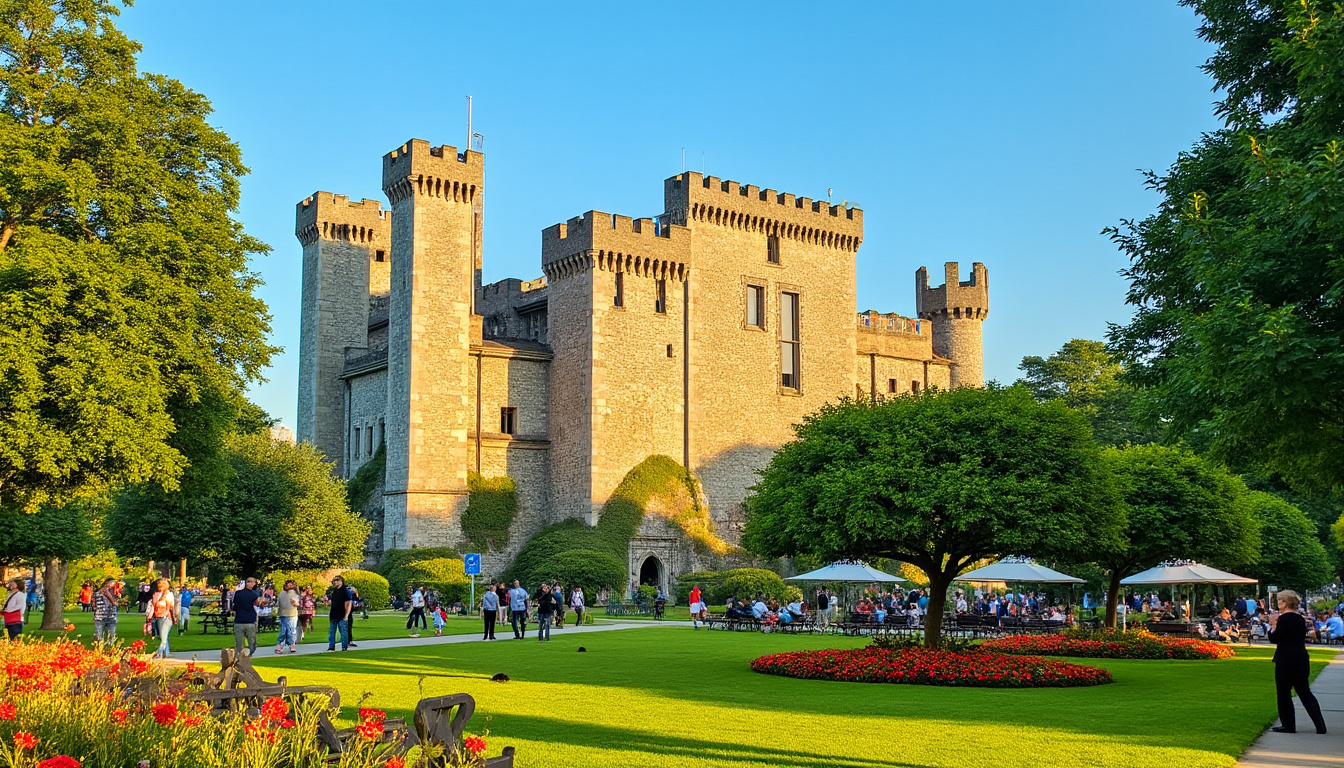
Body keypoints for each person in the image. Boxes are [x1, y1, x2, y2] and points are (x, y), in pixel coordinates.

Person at [1268, 590, 1327, 734]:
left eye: (1279, 601)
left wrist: (1273, 625)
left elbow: (1275, 638)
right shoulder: (1300, 618)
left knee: (1283, 692)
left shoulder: (1284, 619)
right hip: (1300, 657)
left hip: (1286, 659)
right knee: (1304, 691)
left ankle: (1288, 724)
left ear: (1285, 602)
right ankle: (1320, 724)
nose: (1277, 604)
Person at [146, 579, 177, 659]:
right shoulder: (156, 595)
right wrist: (149, 618)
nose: (160, 587)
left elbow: (171, 607)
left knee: (163, 639)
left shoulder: (169, 595)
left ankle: (158, 654)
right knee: (162, 636)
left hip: (166, 618)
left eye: (161, 585)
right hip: (158, 617)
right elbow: (153, 606)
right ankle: (166, 653)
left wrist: (173, 618)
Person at [231, 577, 261, 657]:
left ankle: (239, 657)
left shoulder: (238, 593)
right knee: (252, 642)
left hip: (239, 620)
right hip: (249, 620)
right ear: (251, 583)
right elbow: (257, 603)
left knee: (239, 643)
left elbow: (234, 606)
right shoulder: (254, 594)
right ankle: (248, 654)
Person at [327, 575, 353, 652]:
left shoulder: (345, 591)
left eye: (337, 580)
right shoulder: (335, 592)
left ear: (341, 581)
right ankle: (331, 647)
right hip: (334, 614)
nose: (335, 582)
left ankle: (344, 647)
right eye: (334, 581)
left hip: (342, 614)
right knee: (332, 631)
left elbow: (348, 603)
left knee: (343, 631)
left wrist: (346, 614)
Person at [275, 579, 300, 654]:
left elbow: (297, 603)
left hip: (292, 614)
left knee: (291, 631)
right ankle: (280, 645)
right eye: (288, 585)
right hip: (283, 614)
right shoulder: (281, 593)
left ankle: (291, 645)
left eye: (291, 585)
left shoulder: (294, 593)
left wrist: (295, 603)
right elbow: (278, 603)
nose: (289, 587)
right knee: (283, 631)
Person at [93, 577, 119, 643]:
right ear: (107, 583)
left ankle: (108, 648)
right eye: (112, 583)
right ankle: (100, 649)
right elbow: (114, 602)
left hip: (110, 616)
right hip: (101, 617)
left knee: (111, 635)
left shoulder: (111, 592)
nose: (113, 585)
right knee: (100, 636)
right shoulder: (103, 591)